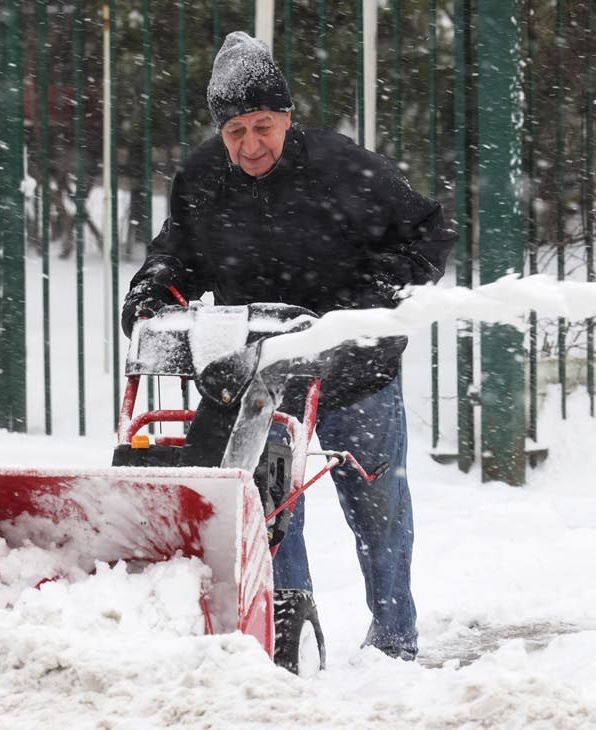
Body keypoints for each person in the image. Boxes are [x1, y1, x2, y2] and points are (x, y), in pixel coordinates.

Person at [121, 31, 456, 661]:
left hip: (355, 367)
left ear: (287, 117)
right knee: (271, 516)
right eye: (235, 131)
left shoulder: (345, 168)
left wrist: (380, 284)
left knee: (376, 510)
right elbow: (179, 254)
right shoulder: (201, 178)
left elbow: (429, 233)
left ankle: (394, 644)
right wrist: (155, 285)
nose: (250, 145)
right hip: (260, 374)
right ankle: (286, 645)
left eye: (263, 126)